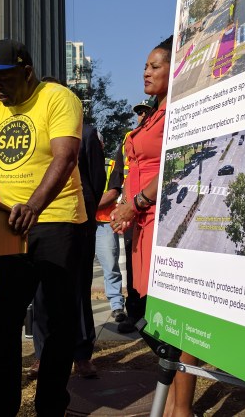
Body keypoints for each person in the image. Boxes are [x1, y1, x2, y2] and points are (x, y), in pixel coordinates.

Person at [0, 39, 86, 416]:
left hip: (56, 221)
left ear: (27, 72)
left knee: (56, 323)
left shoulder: (58, 98)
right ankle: (2, 405)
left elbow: (66, 155)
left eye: (5, 77)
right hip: (11, 227)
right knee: (2, 322)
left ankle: (50, 407)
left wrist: (34, 205)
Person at [110, 36, 198, 417]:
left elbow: (180, 164)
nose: (146, 71)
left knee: (173, 318)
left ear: (172, 71)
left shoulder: (177, 113)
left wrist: (137, 202)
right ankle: (174, 398)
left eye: (155, 66)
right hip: (140, 226)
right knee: (145, 313)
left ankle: (181, 408)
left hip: (164, 220)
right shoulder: (152, 114)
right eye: (145, 66)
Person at [30, 93, 106, 379]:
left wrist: (86, 217)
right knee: (41, 294)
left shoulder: (85, 133)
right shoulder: (33, 132)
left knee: (78, 291)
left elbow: (97, 180)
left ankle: (82, 354)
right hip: (39, 224)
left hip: (77, 225)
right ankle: (42, 354)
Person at [94, 99, 152, 333]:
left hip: (155, 211)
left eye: (146, 112)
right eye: (138, 113)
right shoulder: (128, 141)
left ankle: (156, 315)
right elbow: (117, 182)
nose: (141, 116)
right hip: (132, 216)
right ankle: (134, 313)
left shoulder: (162, 135)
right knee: (132, 265)